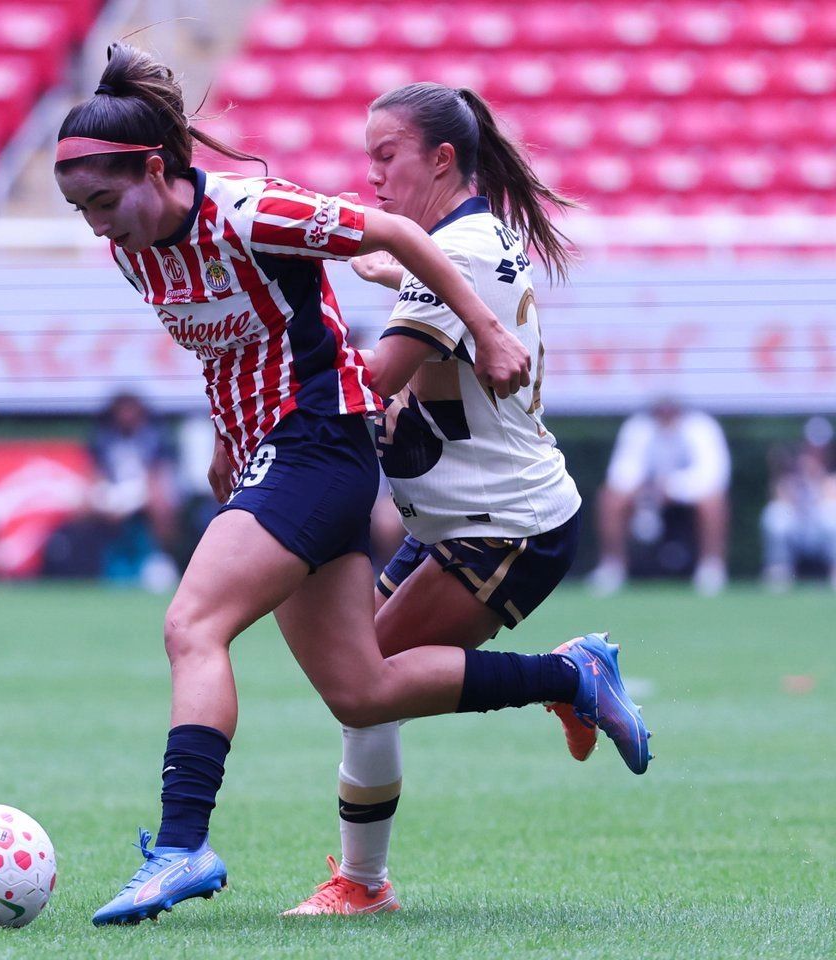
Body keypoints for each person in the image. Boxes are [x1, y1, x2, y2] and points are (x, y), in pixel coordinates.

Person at [54, 42, 649, 927]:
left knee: (193, 625)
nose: (98, 224)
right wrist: (229, 441)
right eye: (80, 210)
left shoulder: (263, 213)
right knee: (362, 691)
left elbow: (371, 328)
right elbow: (234, 343)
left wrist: (482, 329)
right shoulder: (137, 248)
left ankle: (185, 847)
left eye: (103, 202)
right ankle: (557, 687)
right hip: (323, 463)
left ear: (154, 168)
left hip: (377, 472)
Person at [282, 81, 646, 917]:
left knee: (363, 683)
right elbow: (423, 296)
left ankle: (570, 674)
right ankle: (362, 883)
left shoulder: (468, 251)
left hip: (505, 526)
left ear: (442, 159)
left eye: (387, 157)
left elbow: (373, 383)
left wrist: (274, 369)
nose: (370, 177)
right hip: (462, 522)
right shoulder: (460, 243)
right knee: (362, 685)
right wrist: (382, 263)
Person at [589, 399, 731, 596]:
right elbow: (620, 474)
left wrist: (672, 487)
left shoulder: (702, 427)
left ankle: (711, 568)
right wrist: (649, 491)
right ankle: (613, 566)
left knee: (714, 502)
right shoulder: (637, 428)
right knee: (610, 499)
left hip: (687, 496)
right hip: (646, 497)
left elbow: (713, 476)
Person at [86, 391, 181, 590]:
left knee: (160, 504)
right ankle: (96, 564)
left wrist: (143, 496)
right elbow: (98, 475)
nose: (126, 415)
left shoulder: (154, 437)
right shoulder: (104, 439)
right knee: (86, 503)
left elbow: (158, 475)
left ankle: (160, 557)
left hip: (145, 489)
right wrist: (105, 498)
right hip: (115, 491)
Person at [760, 417, 836, 590]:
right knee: (775, 514)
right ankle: (778, 571)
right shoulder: (793, 471)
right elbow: (778, 497)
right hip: (797, 528)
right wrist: (795, 478)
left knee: (832, 515)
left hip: (821, 531)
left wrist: (816, 476)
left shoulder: (831, 472)